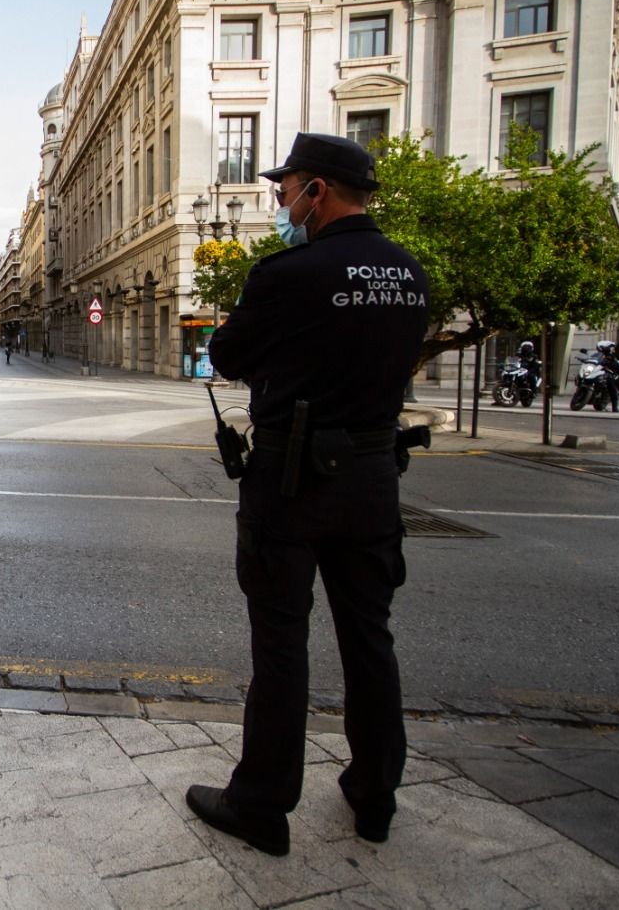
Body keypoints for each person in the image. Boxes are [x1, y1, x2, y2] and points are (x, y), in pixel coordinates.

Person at [188, 133, 429, 857]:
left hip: (291, 484)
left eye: (285, 188)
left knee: (282, 645)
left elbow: (226, 355)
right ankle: (375, 793)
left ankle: (262, 805)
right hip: (373, 480)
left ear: (318, 190)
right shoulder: (409, 273)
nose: (279, 200)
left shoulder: (289, 271)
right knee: (369, 640)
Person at [593, 340, 619, 412]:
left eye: (602, 348)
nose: (601, 349)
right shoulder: (597, 355)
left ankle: (615, 407)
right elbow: (592, 359)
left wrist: (608, 364)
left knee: (611, 386)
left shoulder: (611, 356)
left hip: (607, 374)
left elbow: (615, 364)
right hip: (596, 372)